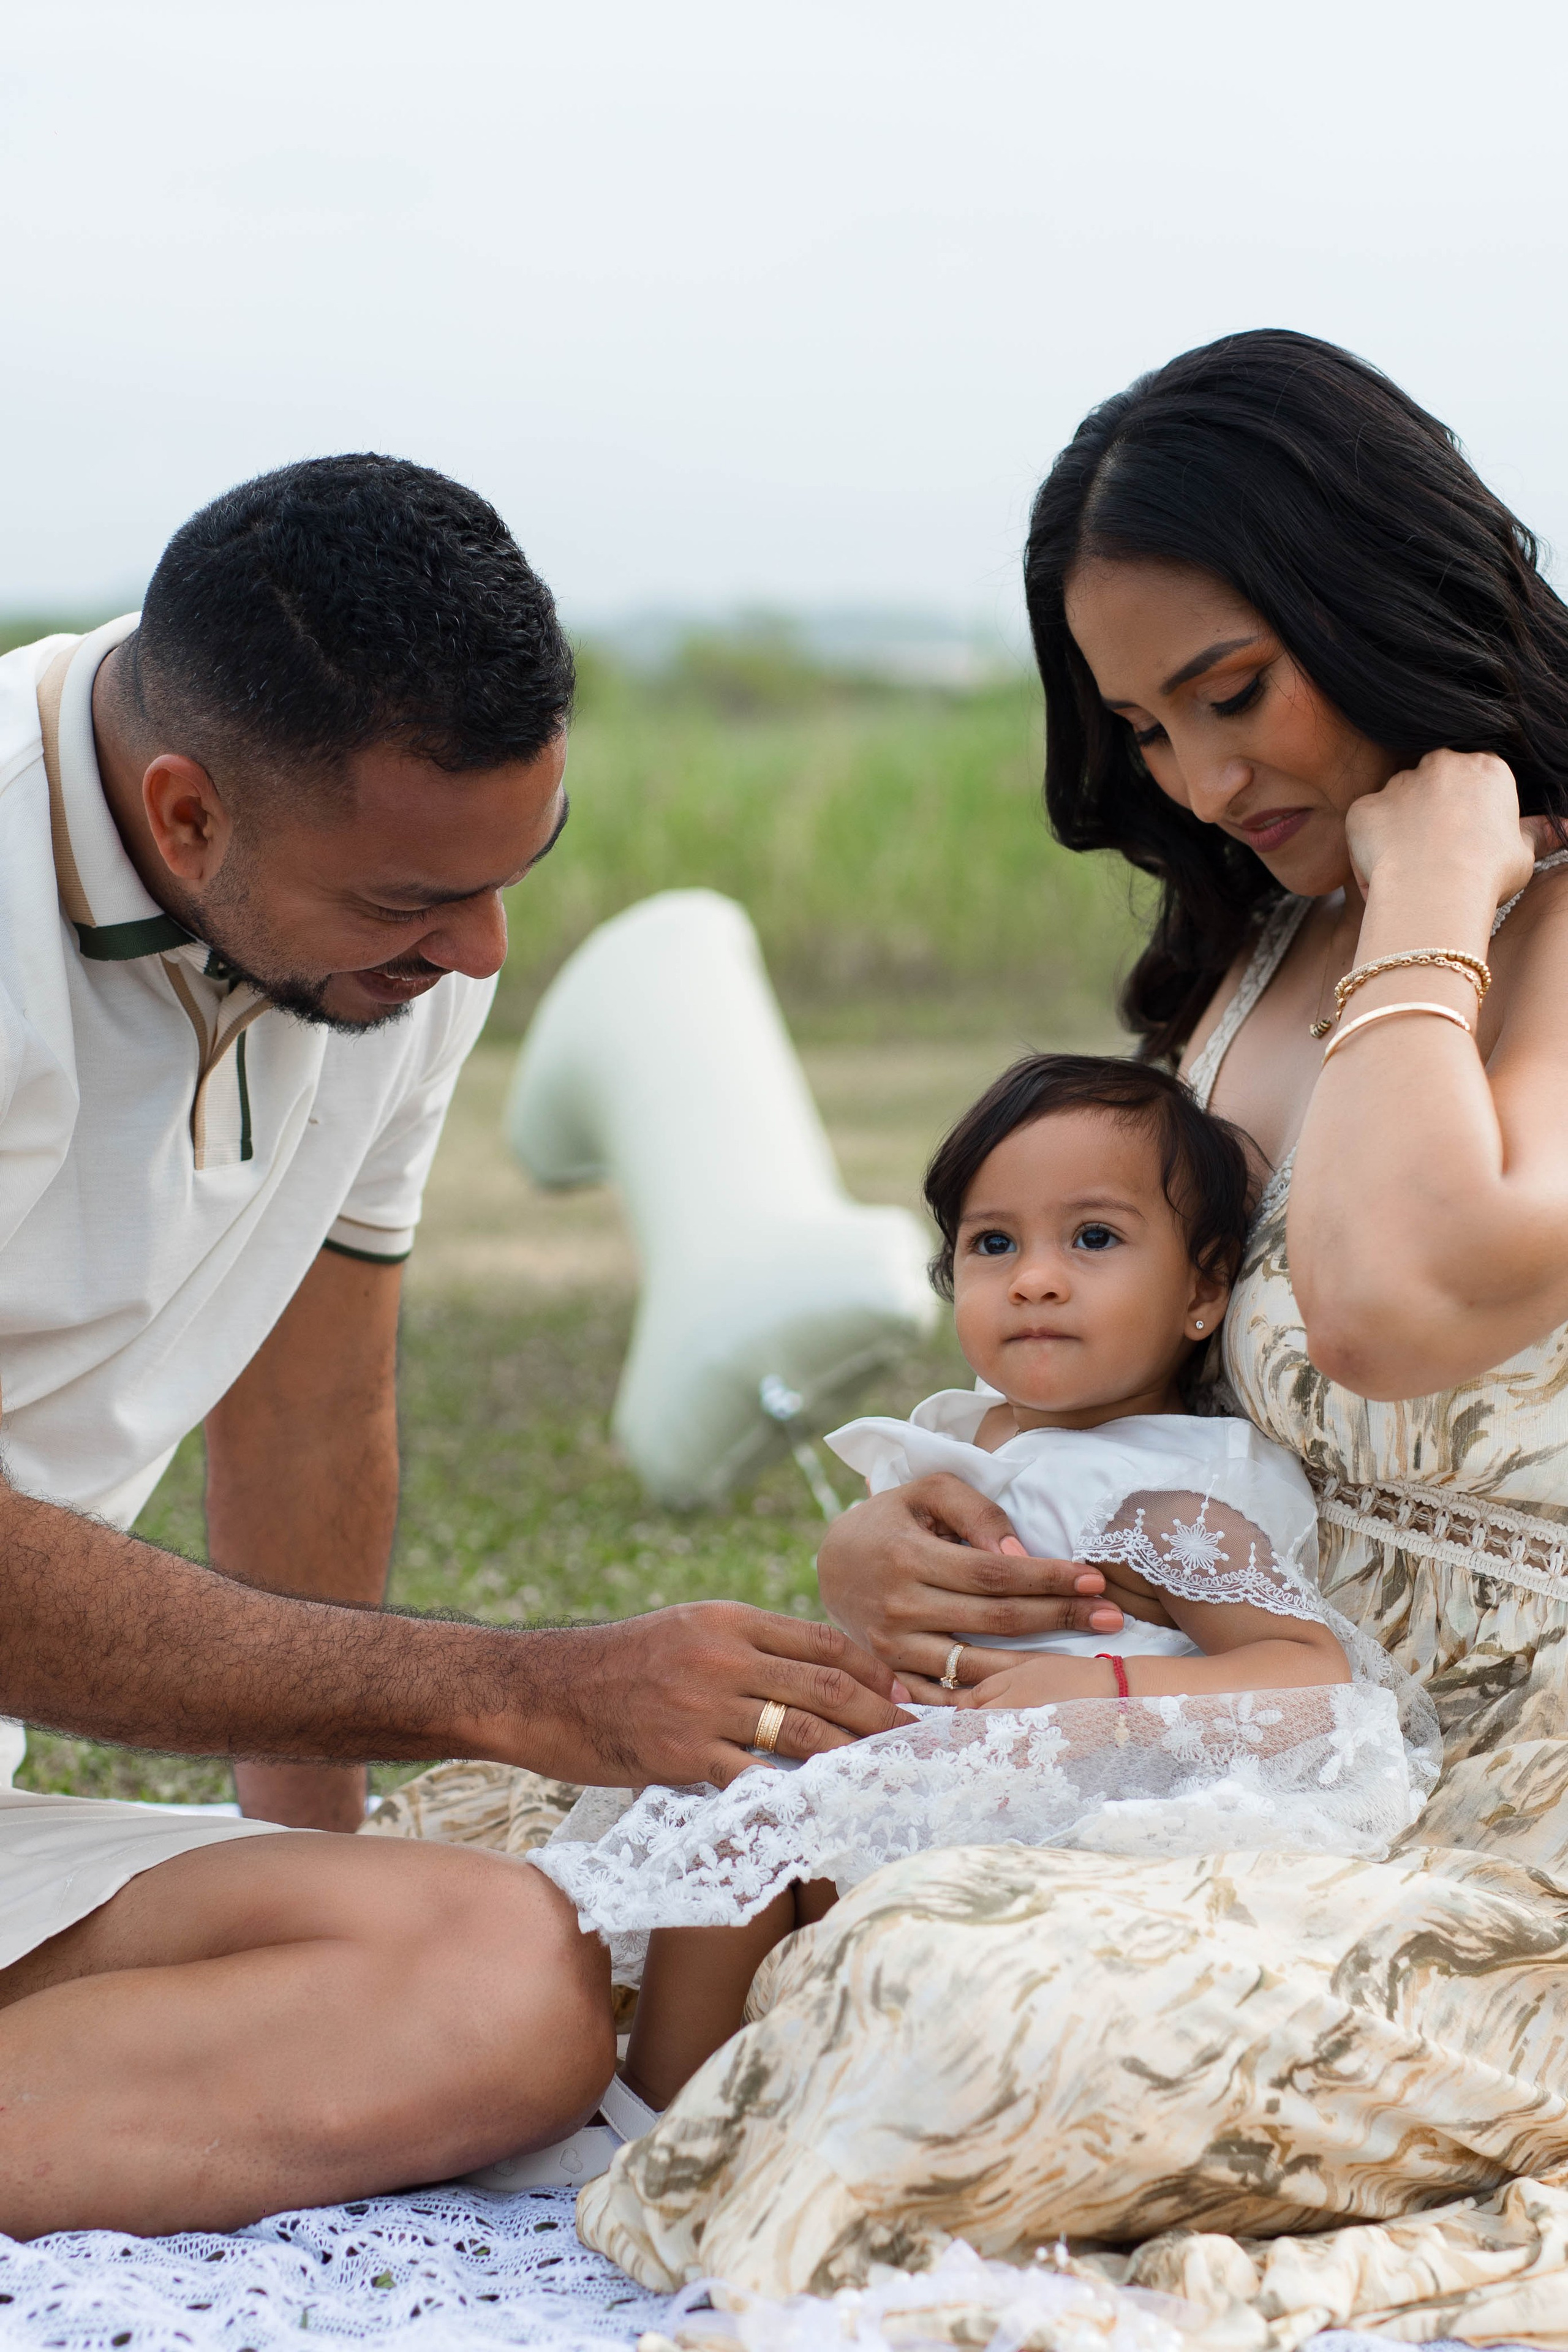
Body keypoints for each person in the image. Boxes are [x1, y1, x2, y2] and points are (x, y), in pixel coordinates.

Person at [570, 333, 1568, 2333]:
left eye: (1234, 696)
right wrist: (916, 1532)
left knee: (945, 1995)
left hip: (1509, 1832)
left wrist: (1446, 888)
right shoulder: (1263, 947)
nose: (1204, 786)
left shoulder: (1520, 931)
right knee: (654, 1869)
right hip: (1236, 1729)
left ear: (1381, 596)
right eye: (1148, 728)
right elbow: (1161, 1368)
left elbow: (1385, 1308)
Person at [0, 454, 913, 2239]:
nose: (483, 949)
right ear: (186, 819)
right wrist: (513, 1684)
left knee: (502, 1988)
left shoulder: (395, 940)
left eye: (517, 873)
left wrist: (309, 1880)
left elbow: (311, 1400)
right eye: (415, 903)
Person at [537, 1052, 1431, 2138]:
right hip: (935, 1751)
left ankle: (664, 2113)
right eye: (992, 1244)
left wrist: (1098, 1691)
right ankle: (668, 2085)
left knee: (758, 1813)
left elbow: (1308, 1673)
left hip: (1067, 1784)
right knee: (726, 1785)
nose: (1035, 1278)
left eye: (1093, 1240)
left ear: (1203, 1292)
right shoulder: (971, 1435)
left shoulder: (1166, 1490)